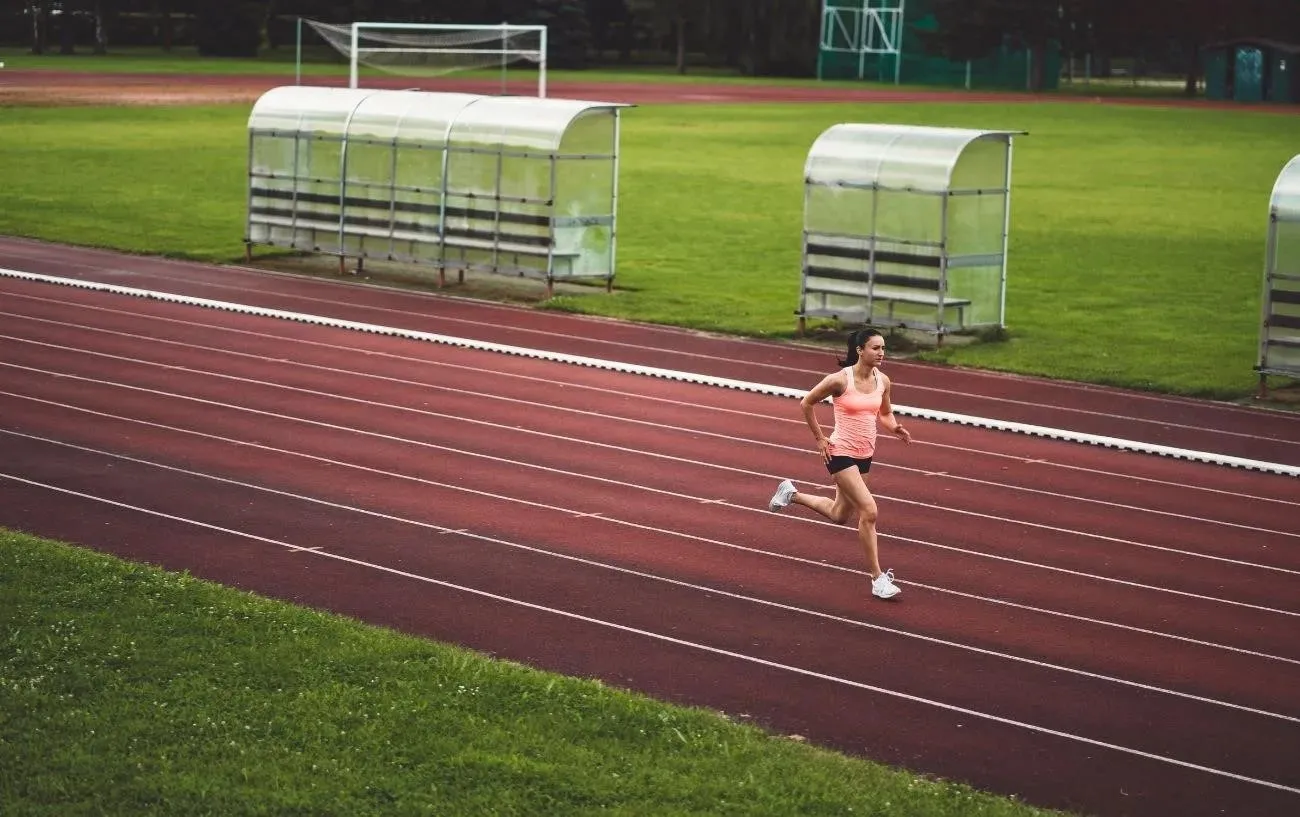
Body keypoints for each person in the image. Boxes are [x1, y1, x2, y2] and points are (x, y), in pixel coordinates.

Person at [767, 327, 912, 600]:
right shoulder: (839, 380)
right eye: (876, 348)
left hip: (865, 453)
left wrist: (895, 427)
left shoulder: (884, 381)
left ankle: (790, 493)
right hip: (840, 451)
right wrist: (820, 439)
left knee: (839, 514)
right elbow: (806, 403)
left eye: (883, 348)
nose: (882, 353)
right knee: (869, 510)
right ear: (860, 351)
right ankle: (877, 579)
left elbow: (886, 412)